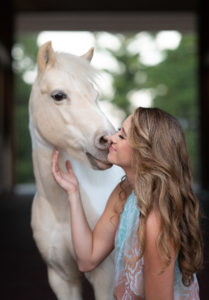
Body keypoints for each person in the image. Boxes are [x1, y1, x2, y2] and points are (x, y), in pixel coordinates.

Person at [52, 107, 203, 300]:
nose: (111, 138)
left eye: (122, 136)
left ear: (145, 152)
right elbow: (87, 259)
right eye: (118, 130)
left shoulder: (155, 221)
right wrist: (73, 192)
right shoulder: (124, 192)